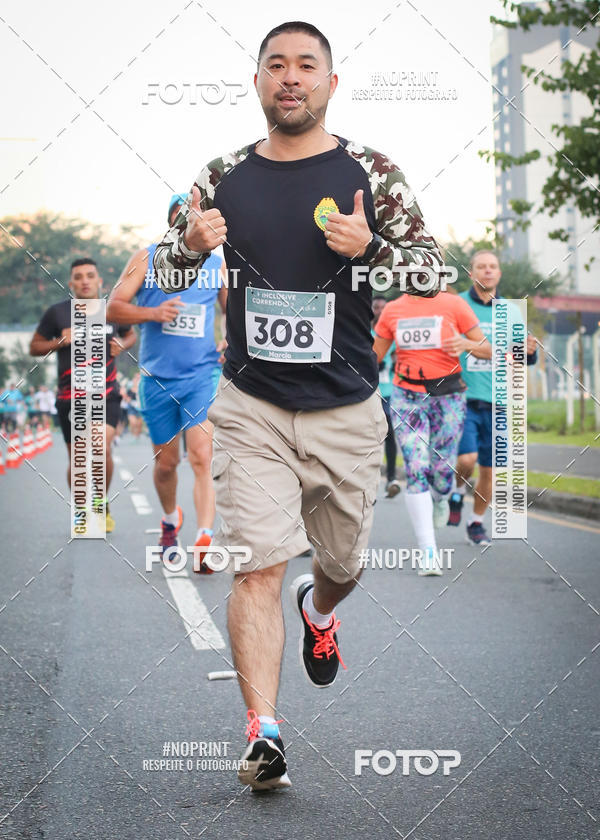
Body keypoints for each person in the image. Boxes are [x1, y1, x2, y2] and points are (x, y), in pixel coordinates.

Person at [153, 21, 444, 790]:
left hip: (346, 406)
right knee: (257, 567)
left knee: (342, 561)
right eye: (275, 65)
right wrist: (187, 248)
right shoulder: (220, 176)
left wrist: (371, 249)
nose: (290, 78)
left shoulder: (371, 171)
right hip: (250, 404)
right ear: (257, 82)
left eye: (305, 66)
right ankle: (264, 734)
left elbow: (430, 272)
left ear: (329, 83)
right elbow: (163, 275)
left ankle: (322, 609)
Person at [107, 195, 227, 567]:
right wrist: (153, 312)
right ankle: (171, 519)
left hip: (201, 374)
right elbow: (113, 307)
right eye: (182, 220)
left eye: (195, 220)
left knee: (203, 456)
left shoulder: (218, 266)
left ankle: (205, 538)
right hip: (157, 378)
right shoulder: (146, 258)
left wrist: (232, 340)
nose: (190, 226)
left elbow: (235, 311)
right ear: (172, 224)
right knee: (166, 465)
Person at [374, 288, 491, 574]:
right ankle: (428, 551)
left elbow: (488, 349)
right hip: (407, 395)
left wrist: (464, 343)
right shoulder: (393, 310)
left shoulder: (454, 304)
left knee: (442, 470)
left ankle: (440, 497)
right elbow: (374, 357)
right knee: (415, 468)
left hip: (448, 396)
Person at [30, 258, 136, 533]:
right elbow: (34, 346)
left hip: (107, 394)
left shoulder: (111, 311)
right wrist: (61, 341)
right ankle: (80, 511)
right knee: (77, 456)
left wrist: (121, 346)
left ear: (100, 281)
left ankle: (100, 504)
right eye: (79, 277)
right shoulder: (57, 314)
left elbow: (130, 335)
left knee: (100, 448)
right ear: (71, 283)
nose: (85, 281)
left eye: (90, 275)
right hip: (70, 398)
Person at [448, 250, 538, 545]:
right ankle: (457, 490)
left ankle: (476, 523)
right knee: (467, 457)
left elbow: (520, 357)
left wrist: (530, 351)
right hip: (463, 397)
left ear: (499, 274)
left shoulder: (510, 312)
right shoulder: (457, 304)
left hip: (498, 400)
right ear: (471, 273)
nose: (487, 271)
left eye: (493, 267)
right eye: (481, 267)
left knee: (489, 468)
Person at [371, 295, 401, 497]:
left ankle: (391, 478)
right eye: (377, 307)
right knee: (371, 438)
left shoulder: (394, 335)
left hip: (389, 392)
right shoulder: (367, 333)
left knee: (390, 434)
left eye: (384, 307)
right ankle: (370, 482)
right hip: (370, 392)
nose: (380, 311)